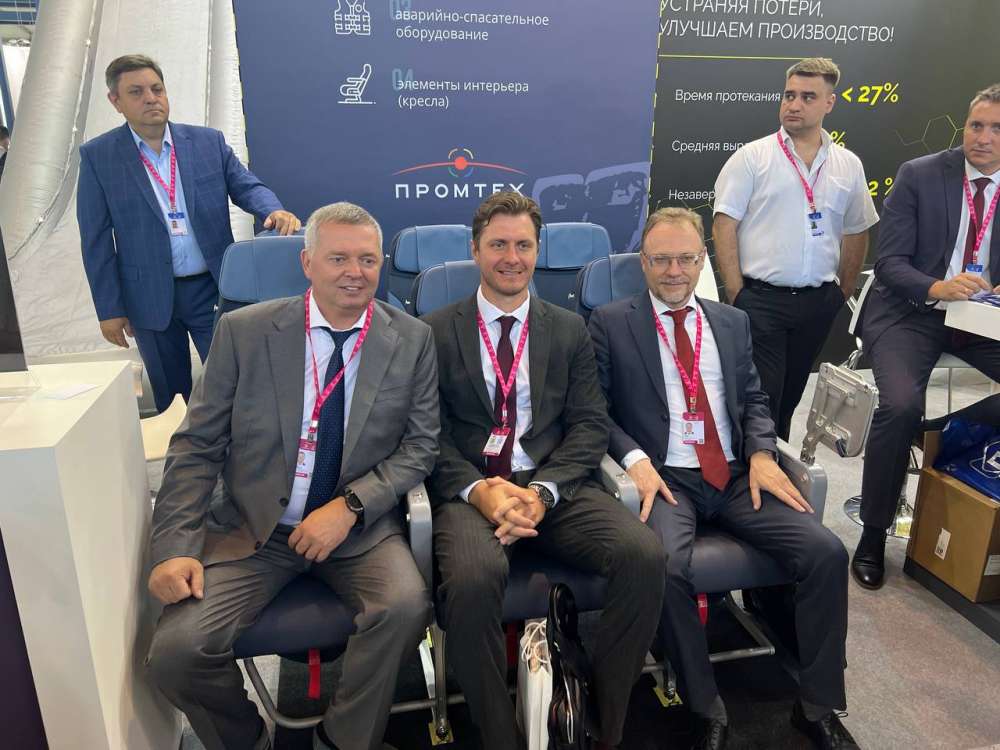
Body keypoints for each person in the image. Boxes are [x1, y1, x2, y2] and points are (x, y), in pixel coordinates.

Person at [145, 202, 439, 750]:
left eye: (368, 259)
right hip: (255, 530)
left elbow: (420, 447)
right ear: (307, 263)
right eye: (338, 258)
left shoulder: (412, 339)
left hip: (357, 532)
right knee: (177, 653)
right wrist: (174, 546)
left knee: (405, 607)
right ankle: (248, 740)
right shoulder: (244, 332)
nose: (355, 272)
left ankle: (343, 738)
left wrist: (350, 507)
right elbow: (196, 447)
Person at [589, 207, 856, 750]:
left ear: (701, 260)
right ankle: (705, 705)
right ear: (643, 262)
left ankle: (817, 704)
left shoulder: (732, 322)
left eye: (686, 258)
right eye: (661, 259)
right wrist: (634, 458)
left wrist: (762, 452)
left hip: (734, 475)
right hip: (665, 477)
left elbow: (754, 399)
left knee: (826, 553)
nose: (674, 271)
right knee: (665, 566)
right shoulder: (611, 322)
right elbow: (596, 412)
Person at [422, 192, 665, 750]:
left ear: (538, 250)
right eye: (498, 245)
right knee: (472, 581)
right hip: (472, 492)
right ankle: (499, 737)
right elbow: (427, 434)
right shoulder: (433, 331)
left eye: (524, 245)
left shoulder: (568, 329)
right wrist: (479, 491)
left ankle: (601, 724)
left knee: (644, 555)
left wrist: (544, 492)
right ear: (475, 250)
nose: (512, 258)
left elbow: (590, 425)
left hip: (551, 486)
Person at [77, 54, 301, 413]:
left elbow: (246, 186)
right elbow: (96, 240)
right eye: (136, 92)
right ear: (115, 101)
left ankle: (239, 446)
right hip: (147, 295)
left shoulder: (207, 142)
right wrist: (109, 308)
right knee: (172, 396)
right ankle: (185, 447)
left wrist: (271, 209)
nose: (151, 98)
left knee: (236, 383)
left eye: (157, 89)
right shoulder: (98, 157)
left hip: (213, 287)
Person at [853, 83, 1000, 589]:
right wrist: (939, 286)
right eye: (976, 125)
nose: (983, 137)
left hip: (982, 322)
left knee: (918, 418)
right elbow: (890, 263)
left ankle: (940, 433)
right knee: (899, 406)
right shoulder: (920, 174)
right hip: (913, 311)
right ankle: (873, 534)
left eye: (996, 129)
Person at [713, 57, 878, 440]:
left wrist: (841, 291)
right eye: (789, 95)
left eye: (807, 97)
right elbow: (724, 224)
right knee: (763, 398)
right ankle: (757, 465)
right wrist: (738, 293)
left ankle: (775, 464)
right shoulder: (753, 157)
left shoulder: (847, 165)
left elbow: (857, 229)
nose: (794, 104)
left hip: (818, 302)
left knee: (790, 396)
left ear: (829, 103)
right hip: (761, 300)